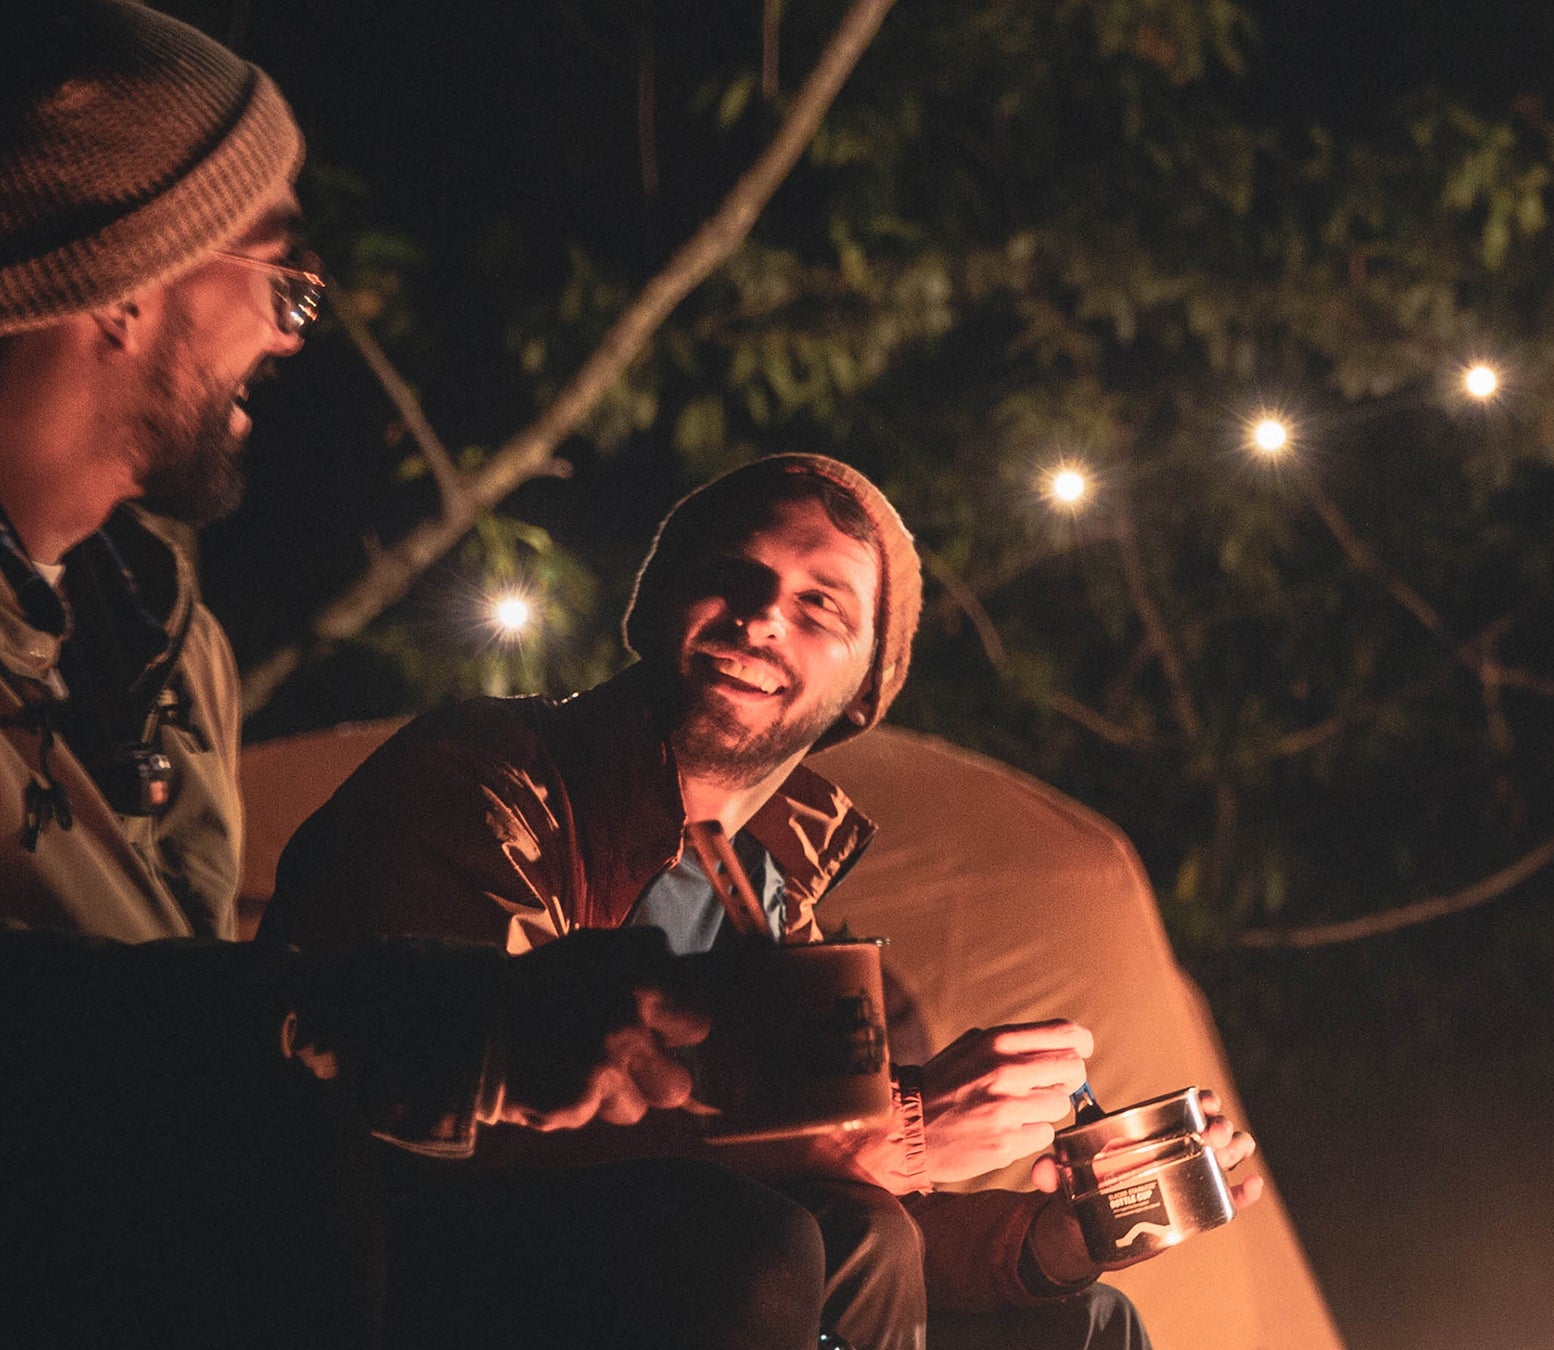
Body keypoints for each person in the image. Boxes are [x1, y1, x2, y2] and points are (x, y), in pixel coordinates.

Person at [0, 5, 854, 1346]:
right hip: (111, 1236)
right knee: (727, 1253)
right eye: (282, 279)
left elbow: (182, 1007)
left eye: (826, 611)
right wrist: (460, 1022)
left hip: (209, 1207)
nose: (292, 335)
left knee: (897, 1261)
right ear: (126, 275)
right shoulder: (492, 781)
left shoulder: (159, 650)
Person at [263, 454, 1264, 1349]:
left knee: (1083, 1324)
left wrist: (1045, 1238)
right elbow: (465, 1117)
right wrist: (903, 1129)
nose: (759, 618)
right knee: (811, 1244)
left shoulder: (770, 897)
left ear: (868, 685)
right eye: (729, 578)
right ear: (655, 605)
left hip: (708, 1269)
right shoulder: (486, 781)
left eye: (821, 604)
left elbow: (823, 1179)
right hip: (400, 1279)